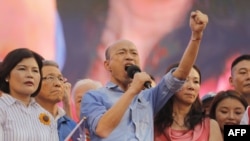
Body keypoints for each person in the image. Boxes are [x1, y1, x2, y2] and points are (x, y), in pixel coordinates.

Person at [81, 10, 208, 141]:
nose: (129, 57)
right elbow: (102, 129)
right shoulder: (93, 97)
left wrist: (196, 36)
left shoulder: (149, 97)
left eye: (134, 53)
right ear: (107, 65)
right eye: (122, 53)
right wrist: (132, 91)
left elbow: (181, 73)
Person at [0, 48, 59, 141]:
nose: (30, 75)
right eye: (22, 69)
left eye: (35, 71)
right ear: (7, 76)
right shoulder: (2, 109)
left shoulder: (46, 116)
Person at [154, 64, 222, 141]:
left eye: (196, 82)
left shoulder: (210, 125)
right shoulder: (154, 123)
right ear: (171, 83)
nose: (191, 87)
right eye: (185, 80)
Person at [35, 60, 78, 141]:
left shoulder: (71, 125)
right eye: (50, 78)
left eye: (60, 79)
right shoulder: (24, 119)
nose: (57, 84)